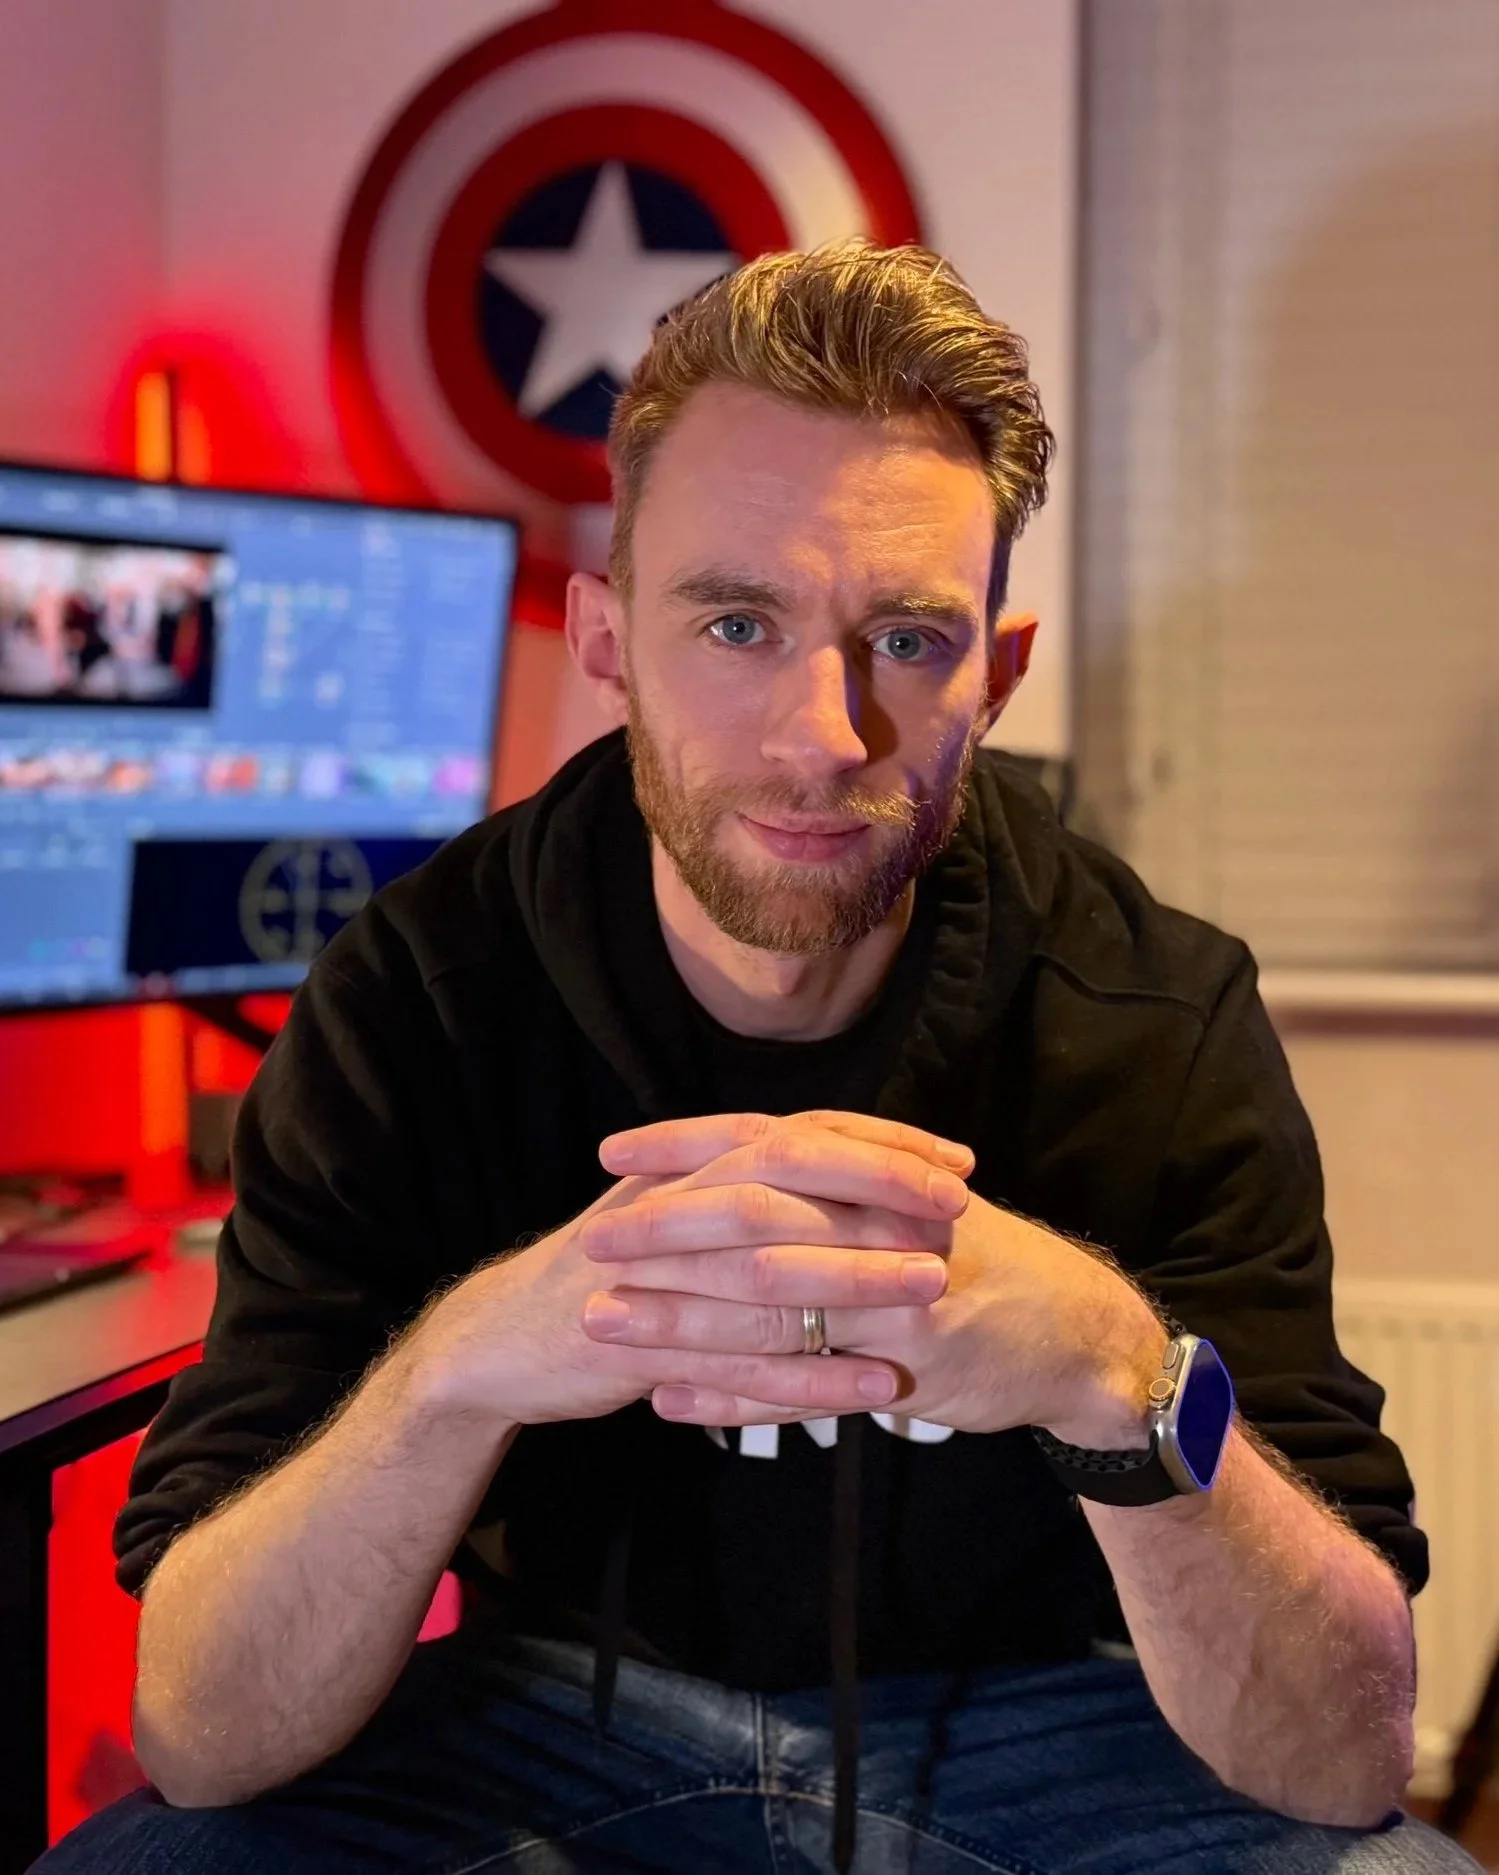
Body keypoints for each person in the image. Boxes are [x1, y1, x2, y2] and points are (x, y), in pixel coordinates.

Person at [34, 241, 1480, 1875]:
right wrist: (461, 1367)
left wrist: (1107, 1364)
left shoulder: (1152, 1013)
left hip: (1043, 1730)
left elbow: (1345, 1751)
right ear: (604, 638)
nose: (823, 734)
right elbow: (200, 1733)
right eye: (735, 622)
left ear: (994, 678)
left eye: (908, 642)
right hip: (546, 1727)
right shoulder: (416, 999)